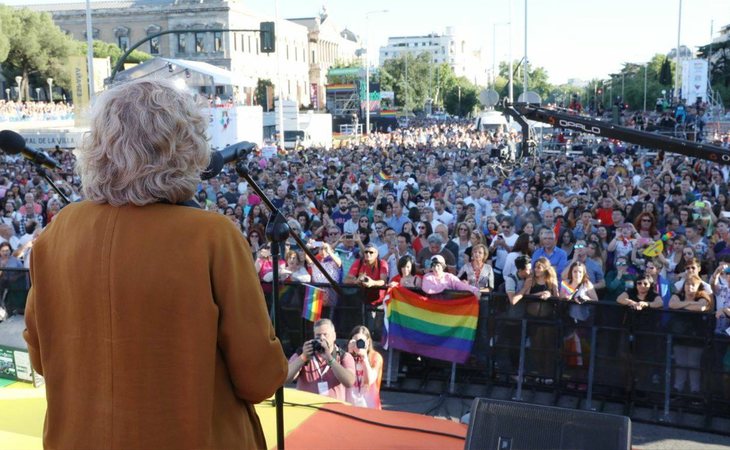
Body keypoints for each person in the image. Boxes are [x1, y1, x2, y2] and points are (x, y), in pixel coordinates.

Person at [23, 79, 288, 449]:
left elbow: (41, 358)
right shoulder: (211, 236)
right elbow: (259, 378)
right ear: (185, 148)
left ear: (98, 147)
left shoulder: (58, 232)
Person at [286, 318, 356, 400]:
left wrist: (329, 358)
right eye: (318, 335)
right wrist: (303, 357)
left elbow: (350, 382)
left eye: (325, 335)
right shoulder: (303, 353)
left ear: (334, 336)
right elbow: (285, 378)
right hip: (309, 409)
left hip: (333, 409)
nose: (322, 338)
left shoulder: (343, 356)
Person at [346, 325, 384, 409]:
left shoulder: (375, 357)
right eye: (354, 341)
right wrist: (349, 355)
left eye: (361, 341)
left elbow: (369, 380)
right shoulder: (345, 357)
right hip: (349, 406)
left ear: (368, 342)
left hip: (370, 407)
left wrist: (364, 358)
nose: (358, 344)